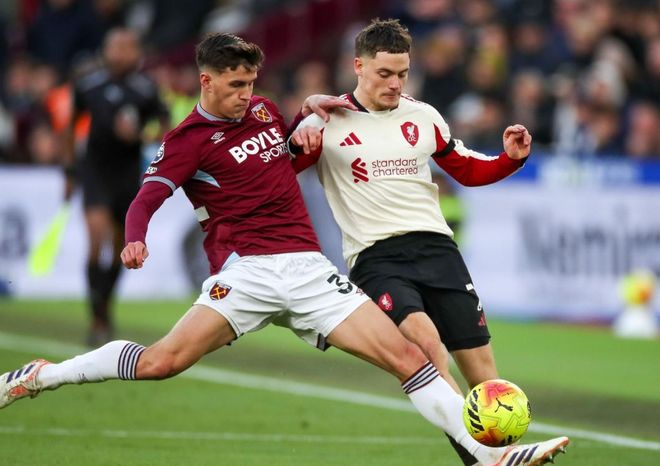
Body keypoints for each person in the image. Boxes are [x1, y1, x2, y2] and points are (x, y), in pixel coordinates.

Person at [1, 33, 568, 466]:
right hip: (246, 273)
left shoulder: (266, 111)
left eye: (251, 84)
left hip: (309, 268)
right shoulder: (186, 141)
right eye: (235, 86)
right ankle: (45, 375)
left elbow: (282, 162)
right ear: (205, 82)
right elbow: (147, 197)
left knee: (410, 357)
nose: (246, 95)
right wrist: (134, 238)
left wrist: (304, 121)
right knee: (161, 363)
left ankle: (487, 455)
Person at [289, 19, 548, 466]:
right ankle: (483, 458)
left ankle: (498, 457)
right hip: (376, 257)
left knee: (485, 377)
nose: (395, 83)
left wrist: (509, 159)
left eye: (403, 73)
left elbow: (466, 167)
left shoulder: (423, 116)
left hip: (438, 250)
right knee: (427, 347)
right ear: (358, 66)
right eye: (384, 73)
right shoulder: (325, 121)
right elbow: (279, 170)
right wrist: (298, 128)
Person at [63, 27, 169, 346]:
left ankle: (105, 308)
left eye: (128, 47)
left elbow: (165, 127)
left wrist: (142, 136)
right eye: (116, 47)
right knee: (96, 239)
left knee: (120, 247)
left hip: (126, 174)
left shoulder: (145, 89)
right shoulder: (88, 85)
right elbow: (69, 126)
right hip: (95, 171)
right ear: (106, 50)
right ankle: (97, 317)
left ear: (137, 52)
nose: (121, 53)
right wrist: (69, 171)